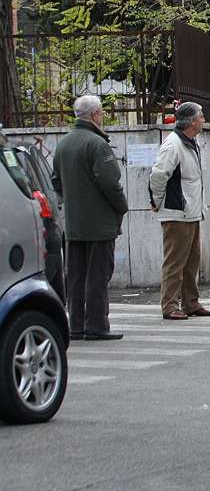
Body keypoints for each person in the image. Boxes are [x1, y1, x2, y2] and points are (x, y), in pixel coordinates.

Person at [51, 94, 129, 341]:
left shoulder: (63, 144)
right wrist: (121, 207)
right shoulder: (96, 144)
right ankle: (96, 325)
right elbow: (110, 182)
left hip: (74, 223)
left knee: (74, 276)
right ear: (95, 114)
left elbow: (56, 181)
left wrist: (71, 203)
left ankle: (75, 325)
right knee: (97, 275)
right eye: (101, 113)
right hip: (99, 224)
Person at [147, 102, 210, 321]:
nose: (203, 120)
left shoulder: (190, 143)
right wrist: (156, 202)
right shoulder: (173, 145)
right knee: (175, 262)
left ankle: (190, 302)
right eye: (201, 116)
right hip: (177, 213)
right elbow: (158, 176)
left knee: (191, 261)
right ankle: (169, 305)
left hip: (191, 212)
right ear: (192, 121)